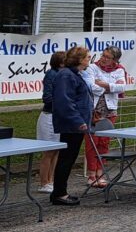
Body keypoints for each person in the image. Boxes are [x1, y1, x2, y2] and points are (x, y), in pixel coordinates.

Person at [50, 46, 93, 206]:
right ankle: (59, 193)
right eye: (87, 57)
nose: (89, 59)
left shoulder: (74, 75)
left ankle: (60, 191)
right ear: (80, 59)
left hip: (76, 124)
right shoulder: (66, 76)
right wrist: (78, 121)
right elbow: (65, 102)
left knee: (69, 158)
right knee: (66, 158)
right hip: (72, 125)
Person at [82, 46, 128, 187]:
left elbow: (121, 87)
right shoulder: (92, 68)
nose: (103, 58)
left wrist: (103, 84)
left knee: (104, 142)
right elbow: (91, 86)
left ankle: (100, 173)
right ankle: (91, 174)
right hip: (94, 110)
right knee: (92, 142)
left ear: (114, 60)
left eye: (107, 57)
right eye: (103, 55)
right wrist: (110, 86)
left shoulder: (119, 69)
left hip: (110, 109)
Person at [36, 51, 65, 194]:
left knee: (56, 151)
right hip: (49, 116)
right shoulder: (51, 75)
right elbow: (47, 97)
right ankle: (44, 182)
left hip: (58, 116)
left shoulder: (62, 75)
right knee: (48, 151)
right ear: (60, 63)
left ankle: (51, 179)